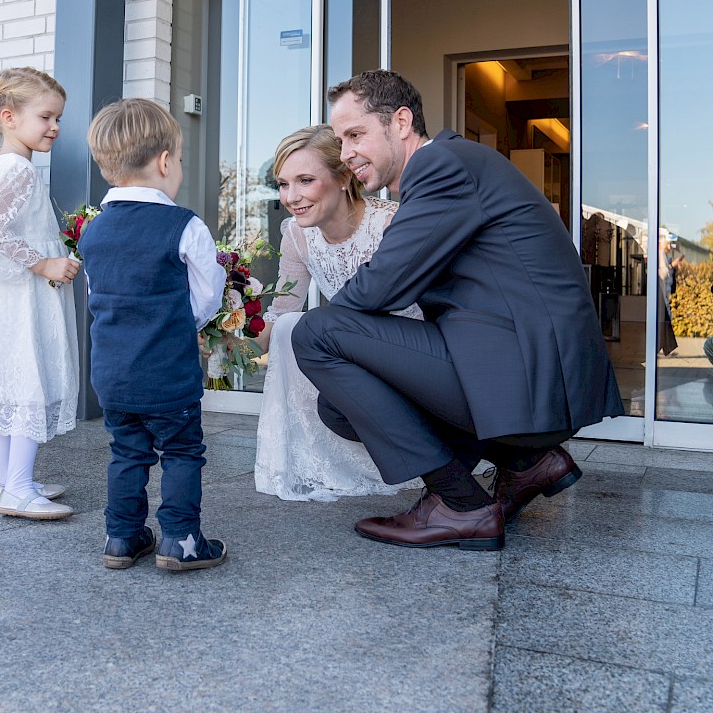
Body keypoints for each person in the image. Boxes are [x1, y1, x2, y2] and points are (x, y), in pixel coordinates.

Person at [292, 69, 624, 551]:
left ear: (401, 122)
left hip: (529, 372)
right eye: (340, 140)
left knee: (315, 332)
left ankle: (460, 505)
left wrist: (339, 328)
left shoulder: (441, 166)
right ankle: (523, 461)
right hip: (517, 364)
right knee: (339, 405)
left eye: (355, 134)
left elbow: (381, 288)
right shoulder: (452, 167)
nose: (345, 153)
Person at [79, 98, 228, 570]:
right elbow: (206, 297)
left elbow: (96, 297)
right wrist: (182, 326)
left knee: (127, 451)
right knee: (182, 450)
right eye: (179, 159)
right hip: (167, 372)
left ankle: (121, 538)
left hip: (113, 375)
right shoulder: (184, 226)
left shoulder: (93, 233)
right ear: (165, 161)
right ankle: (180, 541)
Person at [254, 125, 424, 501]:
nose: (291, 197)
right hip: (353, 352)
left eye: (305, 180)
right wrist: (234, 328)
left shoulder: (391, 223)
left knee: (314, 327)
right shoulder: (297, 235)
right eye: (283, 184)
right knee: (291, 328)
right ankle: (321, 458)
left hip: (412, 355)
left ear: (344, 176)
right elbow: (282, 309)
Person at [0, 66, 80, 520]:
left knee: (9, 381)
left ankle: (4, 478)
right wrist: (47, 264)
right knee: (27, 380)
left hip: (10, 293)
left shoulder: (9, 166)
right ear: (8, 116)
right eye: (46, 117)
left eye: (57, 118)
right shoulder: (18, 170)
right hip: (22, 295)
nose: (55, 127)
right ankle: (18, 488)